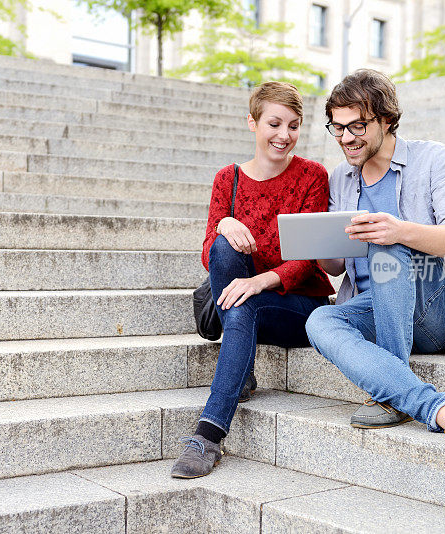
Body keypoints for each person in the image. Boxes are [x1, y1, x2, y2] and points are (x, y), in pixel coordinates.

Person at [305, 69, 445, 446]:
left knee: (386, 241)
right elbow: (333, 269)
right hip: (370, 306)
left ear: (386, 119)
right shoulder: (340, 179)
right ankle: (436, 409)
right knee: (320, 321)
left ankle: (392, 390)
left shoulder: (433, 159)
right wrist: (316, 247)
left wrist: (398, 231)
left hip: (429, 306)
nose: (346, 138)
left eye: (358, 126)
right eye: (338, 127)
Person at [171, 81, 335, 478]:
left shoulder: (312, 176)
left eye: (293, 126)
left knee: (244, 301)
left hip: (299, 305)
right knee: (225, 249)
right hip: (245, 302)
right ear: (252, 122)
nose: (284, 135)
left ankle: (208, 433)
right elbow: (210, 252)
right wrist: (225, 223)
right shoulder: (227, 178)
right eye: (274, 123)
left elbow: (308, 259)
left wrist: (260, 281)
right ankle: (219, 417)